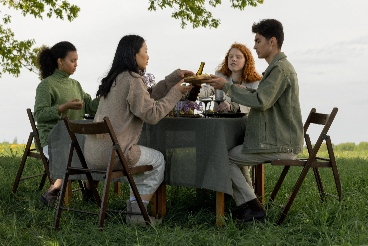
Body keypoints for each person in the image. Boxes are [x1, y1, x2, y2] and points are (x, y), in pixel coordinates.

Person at [84, 35, 193, 225]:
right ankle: (137, 214)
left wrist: (174, 78)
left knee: (144, 158)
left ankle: (136, 212)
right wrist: (176, 92)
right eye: (146, 51)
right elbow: (153, 114)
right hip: (114, 155)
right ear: (134, 54)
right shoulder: (132, 80)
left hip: (93, 155)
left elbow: (146, 97)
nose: (148, 56)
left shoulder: (115, 79)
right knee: (157, 160)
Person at [206, 19, 303, 224]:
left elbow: (261, 101)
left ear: (272, 41)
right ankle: (251, 206)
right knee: (234, 154)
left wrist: (228, 87)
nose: (254, 45)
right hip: (277, 138)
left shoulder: (280, 69)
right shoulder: (277, 67)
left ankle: (252, 208)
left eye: (258, 40)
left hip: (281, 142)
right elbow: (262, 95)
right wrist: (236, 88)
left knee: (226, 158)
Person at [34, 41, 99, 207]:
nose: (76, 64)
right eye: (72, 60)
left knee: (100, 154)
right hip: (53, 139)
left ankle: (89, 195)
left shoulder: (75, 84)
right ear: (59, 61)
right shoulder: (46, 85)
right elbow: (39, 115)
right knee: (75, 156)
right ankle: (53, 192)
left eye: (77, 60)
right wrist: (65, 107)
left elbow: (91, 107)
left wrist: (106, 96)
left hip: (75, 139)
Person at [214, 43, 262, 113]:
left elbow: (255, 104)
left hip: (245, 122)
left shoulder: (256, 81)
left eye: (238, 57)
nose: (233, 59)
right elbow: (206, 90)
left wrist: (232, 106)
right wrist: (195, 84)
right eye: (230, 56)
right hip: (221, 122)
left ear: (246, 61)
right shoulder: (220, 76)